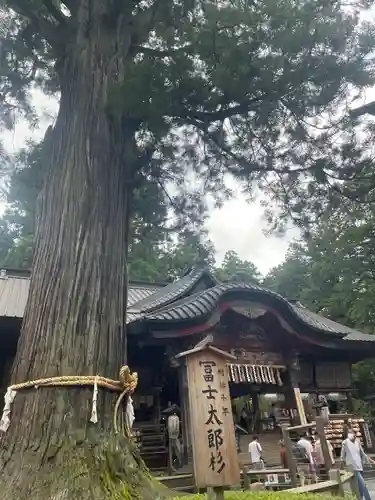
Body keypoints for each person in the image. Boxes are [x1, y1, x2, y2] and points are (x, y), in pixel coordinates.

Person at [341, 430, 375, 500]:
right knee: (363, 484)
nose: (354, 435)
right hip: (352, 467)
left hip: (359, 465)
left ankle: (360, 498)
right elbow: (342, 455)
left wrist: (371, 460)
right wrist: (343, 464)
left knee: (360, 486)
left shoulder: (357, 442)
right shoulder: (345, 442)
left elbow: (363, 453)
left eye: (355, 434)